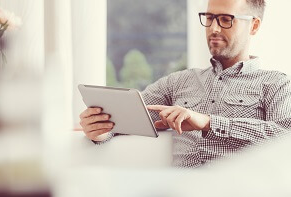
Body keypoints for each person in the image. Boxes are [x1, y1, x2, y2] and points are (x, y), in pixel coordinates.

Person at [79, 0, 291, 168]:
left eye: (226, 19)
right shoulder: (179, 81)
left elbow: (285, 137)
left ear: (253, 26)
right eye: (209, 18)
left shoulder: (275, 84)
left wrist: (209, 122)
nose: (214, 28)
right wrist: (101, 130)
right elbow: (130, 114)